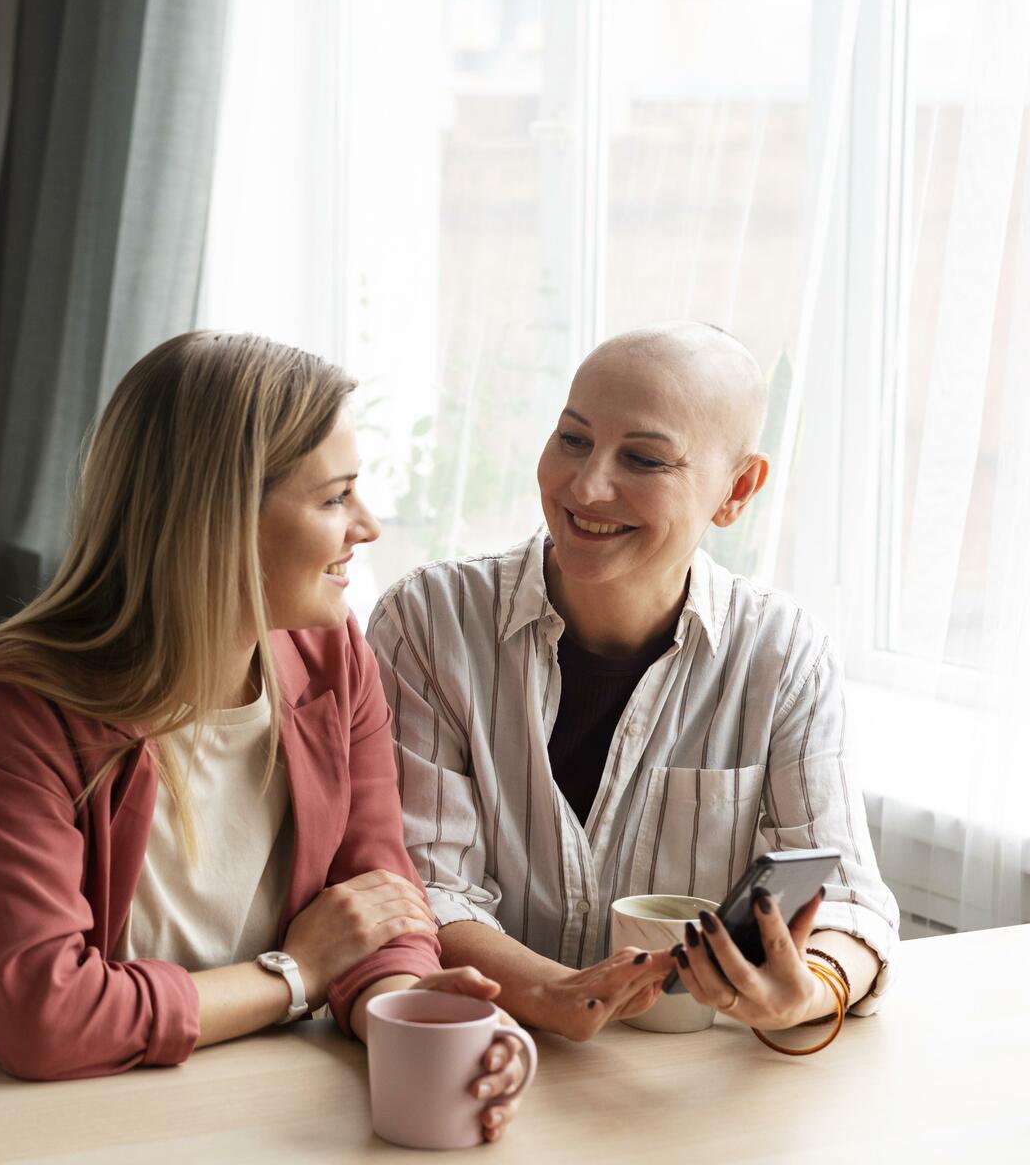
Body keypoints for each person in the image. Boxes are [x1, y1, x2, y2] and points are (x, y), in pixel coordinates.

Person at [0, 332, 530, 1141]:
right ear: (221, 518)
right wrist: (295, 973)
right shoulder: (25, 705)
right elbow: (44, 1019)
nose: (367, 526)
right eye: (335, 498)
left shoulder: (336, 659)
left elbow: (377, 903)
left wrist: (408, 1016)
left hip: (183, 1106)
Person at [368, 321, 898, 1045]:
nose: (585, 486)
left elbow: (850, 902)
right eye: (573, 440)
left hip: (683, 1087)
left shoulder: (783, 651)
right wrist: (556, 993)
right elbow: (421, 888)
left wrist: (807, 992)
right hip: (487, 1053)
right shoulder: (429, 621)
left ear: (737, 490)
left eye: (644, 459)